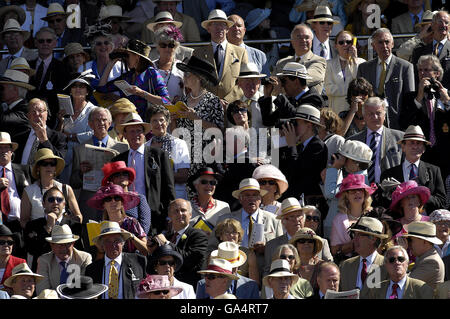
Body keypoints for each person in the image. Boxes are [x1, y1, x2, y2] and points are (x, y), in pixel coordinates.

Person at [112, 113, 176, 235]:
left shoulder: (159, 155)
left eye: (139, 131)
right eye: (131, 131)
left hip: (155, 215)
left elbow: (169, 188)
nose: (136, 135)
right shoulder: (118, 160)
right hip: (126, 215)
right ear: (124, 135)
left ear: (144, 134)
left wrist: (170, 216)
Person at [71, 107, 128, 221]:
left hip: (114, 203)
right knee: (90, 236)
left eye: (104, 120)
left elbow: (127, 180)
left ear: (110, 123)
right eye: (97, 120)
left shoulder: (122, 148)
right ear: (90, 124)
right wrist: (81, 172)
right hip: (89, 203)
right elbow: (74, 182)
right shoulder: (80, 149)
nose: (101, 123)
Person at [399, 55, 450, 182]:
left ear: (437, 73)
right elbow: (404, 123)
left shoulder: (446, 95)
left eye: (426, 70)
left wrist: (448, 102)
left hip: (444, 154)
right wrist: (419, 98)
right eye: (420, 70)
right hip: (421, 155)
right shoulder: (410, 98)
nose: (422, 73)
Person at [97, 39, 170, 121]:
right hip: (128, 124)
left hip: (148, 123)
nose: (125, 59)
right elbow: (101, 88)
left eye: (127, 55)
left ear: (137, 57)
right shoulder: (128, 76)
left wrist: (141, 93)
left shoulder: (152, 73)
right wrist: (110, 64)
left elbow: (166, 101)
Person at [356, 28, 415, 130]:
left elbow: (410, 100)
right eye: (380, 42)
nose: (384, 46)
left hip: (397, 124)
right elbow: (359, 96)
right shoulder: (364, 68)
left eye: (387, 42)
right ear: (373, 46)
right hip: (371, 122)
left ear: (392, 44)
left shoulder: (405, 67)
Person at [380, 125, 446, 213]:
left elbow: (442, 202)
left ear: (423, 149)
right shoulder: (389, 174)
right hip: (399, 222)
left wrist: (421, 193)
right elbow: (383, 203)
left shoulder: (434, 171)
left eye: (418, 143)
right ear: (403, 147)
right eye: (411, 142)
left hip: (426, 221)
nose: (415, 147)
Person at [193, 9, 248, 103]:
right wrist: (212, 101)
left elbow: (244, 82)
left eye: (222, 24)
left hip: (231, 108)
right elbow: (195, 82)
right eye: (214, 24)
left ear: (227, 29)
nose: (219, 27)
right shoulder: (198, 53)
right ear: (208, 28)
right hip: (206, 108)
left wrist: (227, 101)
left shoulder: (240, 52)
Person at [150, 199, 208, 287]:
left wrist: (167, 243)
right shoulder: (168, 236)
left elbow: (190, 260)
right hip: (164, 288)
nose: (180, 214)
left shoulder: (199, 235)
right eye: (176, 211)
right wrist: (152, 250)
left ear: (190, 214)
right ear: (169, 215)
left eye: (183, 210)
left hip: (189, 287)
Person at [321, 140, 372, 238]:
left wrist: (334, 169)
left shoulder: (357, 181)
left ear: (355, 162)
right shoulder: (358, 177)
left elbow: (330, 193)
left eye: (346, 159)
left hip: (340, 231)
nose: (343, 162)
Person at [279, 104, 328, 204]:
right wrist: (282, 142)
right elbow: (281, 169)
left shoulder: (318, 146)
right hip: (290, 198)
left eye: (296, 123)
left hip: (307, 202)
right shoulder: (297, 145)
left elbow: (298, 173)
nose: (294, 126)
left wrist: (291, 145)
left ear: (309, 125)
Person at [20, 148, 82, 228]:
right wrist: (41, 228)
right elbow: (23, 221)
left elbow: (78, 216)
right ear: (38, 167)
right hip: (39, 237)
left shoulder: (66, 189)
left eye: (52, 163)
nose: (49, 166)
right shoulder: (29, 191)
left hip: (63, 236)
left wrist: (66, 220)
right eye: (44, 163)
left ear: (55, 168)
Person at [348, 97, 404, 184]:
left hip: (390, 191)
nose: (375, 117)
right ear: (364, 116)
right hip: (361, 192)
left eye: (378, 113)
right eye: (370, 114)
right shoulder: (353, 141)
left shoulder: (400, 138)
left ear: (384, 115)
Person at [85, 221, 147, 299]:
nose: (113, 245)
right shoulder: (92, 269)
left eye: (116, 241)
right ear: (102, 245)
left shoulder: (138, 261)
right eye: (108, 241)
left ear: (123, 243)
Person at [57, 72, 97, 184]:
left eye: (82, 86)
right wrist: (60, 121)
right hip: (65, 157)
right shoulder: (64, 107)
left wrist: (71, 136)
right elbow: (58, 134)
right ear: (70, 90)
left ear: (87, 91)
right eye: (74, 86)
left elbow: (95, 133)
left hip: (84, 157)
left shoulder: (93, 110)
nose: (77, 89)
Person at [28, 27, 70, 129]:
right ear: (36, 43)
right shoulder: (28, 65)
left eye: (49, 41)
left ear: (55, 43)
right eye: (41, 41)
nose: (45, 44)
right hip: (28, 117)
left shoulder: (62, 67)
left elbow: (63, 94)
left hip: (51, 119)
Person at [87, 184, 147, 255]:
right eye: (108, 199)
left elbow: (145, 250)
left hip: (131, 263)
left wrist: (131, 236)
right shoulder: (99, 227)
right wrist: (100, 249)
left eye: (117, 198)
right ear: (104, 205)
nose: (113, 201)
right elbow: (99, 259)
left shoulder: (132, 222)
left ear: (122, 203)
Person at [147, 106, 190, 200]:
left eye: (162, 120)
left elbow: (183, 176)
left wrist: (157, 174)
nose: (159, 123)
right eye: (154, 120)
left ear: (167, 122)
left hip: (174, 196)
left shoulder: (179, 144)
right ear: (149, 124)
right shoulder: (145, 147)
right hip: (152, 197)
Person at [330, 174, 377, 260]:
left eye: (360, 190)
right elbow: (334, 250)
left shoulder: (374, 214)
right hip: (348, 264)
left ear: (365, 194)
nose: (357, 193)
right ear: (346, 195)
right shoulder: (338, 219)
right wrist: (352, 245)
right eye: (352, 190)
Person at [36, 224, 92, 294]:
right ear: (52, 245)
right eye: (60, 245)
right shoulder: (44, 261)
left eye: (68, 244)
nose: (64, 248)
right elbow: (43, 291)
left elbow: (85, 288)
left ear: (73, 243)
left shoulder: (84, 258)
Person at [361, 245, 434, 299]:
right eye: (392, 260)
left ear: (407, 263)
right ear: (386, 265)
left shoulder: (421, 289)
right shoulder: (375, 290)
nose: (397, 262)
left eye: (401, 259)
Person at [101, 161, 151, 236]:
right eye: (117, 175)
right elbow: (101, 222)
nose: (122, 176)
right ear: (111, 180)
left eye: (125, 174)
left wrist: (131, 239)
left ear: (128, 178)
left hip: (136, 240)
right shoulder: (107, 200)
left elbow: (145, 226)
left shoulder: (140, 198)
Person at [273, 24, 326, 93]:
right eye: (299, 37)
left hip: (308, 103)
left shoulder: (319, 61)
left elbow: (306, 79)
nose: (303, 40)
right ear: (292, 42)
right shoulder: (282, 62)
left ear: (312, 41)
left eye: (307, 37)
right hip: (283, 102)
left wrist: (281, 81)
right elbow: (272, 82)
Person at [13, 98, 67, 166]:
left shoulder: (59, 138)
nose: (37, 114)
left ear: (46, 114)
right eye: (33, 112)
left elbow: (59, 161)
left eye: (40, 111)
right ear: (28, 116)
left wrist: (44, 140)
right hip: (22, 175)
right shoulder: (19, 137)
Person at [196, 241, 260, 299]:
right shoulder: (203, 284)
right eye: (209, 276)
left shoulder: (251, 285)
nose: (232, 270)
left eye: (234, 266)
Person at [339, 216, 388, 292]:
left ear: (373, 239)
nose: (355, 239)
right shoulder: (345, 266)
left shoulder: (386, 265)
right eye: (354, 234)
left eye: (360, 235)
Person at [324, 30, 366, 115]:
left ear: (353, 44)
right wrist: (351, 90)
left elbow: (362, 86)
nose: (345, 45)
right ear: (336, 46)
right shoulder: (328, 64)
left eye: (349, 42)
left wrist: (355, 60)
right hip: (336, 111)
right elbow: (329, 89)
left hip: (357, 112)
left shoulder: (362, 63)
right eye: (341, 42)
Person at [0, 132, 31, 238]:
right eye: (0, 147)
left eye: (6, 148)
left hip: (19, 224)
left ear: (11, 151)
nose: (3, 151)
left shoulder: (24, 170)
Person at [411, 11, 450, 89]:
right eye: (440, 22)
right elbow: (416, 78)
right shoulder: (419, 50)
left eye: (447, 23)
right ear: (432, 25)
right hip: (426, 96)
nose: (443, 25)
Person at [401, 221, 445, 289]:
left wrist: (401, 253)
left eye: (410, 240)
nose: (408, 244)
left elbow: (404, 283)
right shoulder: (425, 257)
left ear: (425, 242)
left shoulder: (431, 262)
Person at [187, 167, 230, 235]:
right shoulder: (186, 206)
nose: (209, 185)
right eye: (204, 182)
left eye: (212, 182)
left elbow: (227, 231)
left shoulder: (224, 207)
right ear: (196, 185)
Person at [153, 25, 185, 104]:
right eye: (163, 45)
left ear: (176, 47)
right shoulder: (150, 66)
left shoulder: (182, 68)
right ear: (157, 47)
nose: (167, 49)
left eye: (171, 45)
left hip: (177, 113)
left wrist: (181, 99)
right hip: (154, 113)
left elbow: (190, 93)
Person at [0, 69, 35, 138]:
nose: (0, 91)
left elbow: (3, 120)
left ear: (15, 90)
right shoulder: (7, 106)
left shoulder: (26, 111)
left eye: (2, 88)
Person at [235, 62, 268, 132]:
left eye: (253, 79)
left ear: (259, 83)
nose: (250, 84)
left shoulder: (268, 102)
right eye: (246, 80)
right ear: (239, 84)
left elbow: (274, 131)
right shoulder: (235, 106)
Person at [0, 224, 26, 292]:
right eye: (2, 242)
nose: (6, 245)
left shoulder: (20, 263)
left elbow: (25, 285)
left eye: (9, 242)